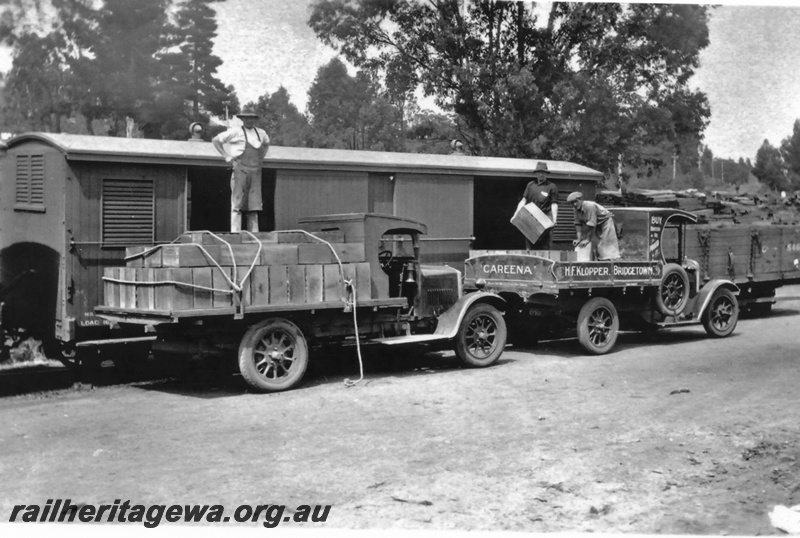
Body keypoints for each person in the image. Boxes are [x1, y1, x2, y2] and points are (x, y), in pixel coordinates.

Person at [212, 108, 270, 232]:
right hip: (240, 171)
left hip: (255, 173)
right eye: (247, 118)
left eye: (252, 118)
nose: (249, 120)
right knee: (237, 205)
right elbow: (216, 140)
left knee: (254, 206)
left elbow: (266, 144)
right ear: (242, 119)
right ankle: (235, 235)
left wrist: (261, 158)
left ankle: (255, 236)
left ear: (255, 119)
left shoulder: (261, 133)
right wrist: (226, 155)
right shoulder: (235, 132)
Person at [516, 162, 558, 249]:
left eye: (543, 172)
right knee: (530, 245)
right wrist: (516, 214)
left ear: (546, 173)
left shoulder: (551, 186)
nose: (541, 174)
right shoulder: (530, 185)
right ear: (536, 173)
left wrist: (554, 219)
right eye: (539, 172)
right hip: (531, 219)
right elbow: (523, 201)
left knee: (545, 245)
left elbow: (554, 204)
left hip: (545, 219)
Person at [567, 192, 620, 260]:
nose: (574, 204)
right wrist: (578, 239)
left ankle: (609, 263)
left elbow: (592, 224)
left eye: (576, 201)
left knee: (605, 245)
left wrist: (587, 239)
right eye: (572, 203)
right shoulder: (575, 209)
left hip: (605, 222)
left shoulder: (589, 206)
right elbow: (578, 224)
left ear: (580, 199)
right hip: (596, 224)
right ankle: (598, 261)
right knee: (595, 244)